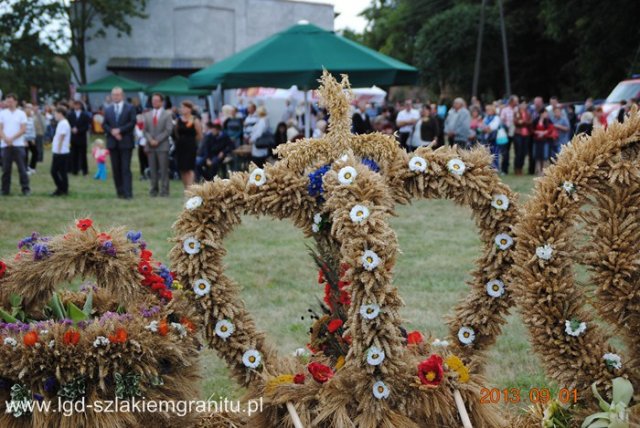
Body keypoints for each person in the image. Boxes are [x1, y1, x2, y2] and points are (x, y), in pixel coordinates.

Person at [102, 86, 137, 199]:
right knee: (116, 168)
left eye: (117, 95)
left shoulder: (130, 108)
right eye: (113, 95)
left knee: (125, 168)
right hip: (113, 143)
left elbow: (132, 122)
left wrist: (120, 130)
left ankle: (128, 193)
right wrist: (112, 131)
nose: (115, 97)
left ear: (122, 96)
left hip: (125, 142)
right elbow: (104, 124)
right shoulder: (108, 109)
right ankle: (120, 192)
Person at [143, 93, 173, 197]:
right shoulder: (147, 114)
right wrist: (150, 140)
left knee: (164, 170)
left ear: (161, 102)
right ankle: (153, 190)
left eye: (156, 100)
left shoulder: (167, 114)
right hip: (150, 146)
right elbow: (145, 131)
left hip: (162, 146)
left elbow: (168, 130)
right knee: (153, 169)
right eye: (153, 100)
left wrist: (157, 140)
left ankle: (164, 191)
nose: (154, 102)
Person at [0, 94, 30, 196]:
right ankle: (5, 190)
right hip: (5, 145)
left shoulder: (21, 114)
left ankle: (25, 189)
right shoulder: (2, 113)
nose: (9, 103)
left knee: (22, 169)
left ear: (16, 102)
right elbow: (0, 128)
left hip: (18, 145)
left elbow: (23, 129)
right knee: (6, 170)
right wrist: (5, 138)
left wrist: (12, 138)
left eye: (11, 101)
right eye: (7, 101)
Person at [174, 100, 202, 188]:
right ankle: (185, 187)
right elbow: (176, 132)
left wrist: (192, 141)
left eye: (184, 107)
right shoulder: (178, 120)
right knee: (182, 168)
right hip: (180, 146)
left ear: (189, 109)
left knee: (189, 168)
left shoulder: (194, 120)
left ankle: (190, 188)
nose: (182, 109)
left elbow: (199, 135)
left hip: (190, 146)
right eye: (181, 107)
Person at [50, 107, 71, 196]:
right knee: (62, 172)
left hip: (61, 152)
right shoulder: (62, 123)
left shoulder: (64, 123)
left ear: (60, 113)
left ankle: (61, 188)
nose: (54, 115)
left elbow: (61, 137)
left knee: (54, 171)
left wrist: (58, 150)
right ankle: (64, 189)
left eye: (55, 113)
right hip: (61, 151)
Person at [68, 100, 91, 176]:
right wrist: (72, 129)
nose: (76, 106)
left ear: (80, 106)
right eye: (75, 105)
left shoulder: (85, 115)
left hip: (82, 137)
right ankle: (74, 170)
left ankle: (85, 171)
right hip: (73, 138)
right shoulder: (70, 114)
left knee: (83, 155)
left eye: (78, 105)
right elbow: (68, 124)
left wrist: (78, 130)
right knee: (74, 154)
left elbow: (87, 126)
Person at [478, 104, 502, 170]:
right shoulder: (486, 118)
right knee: (486, 153)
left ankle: (496, 168)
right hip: (485, 138)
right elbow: (481, 126)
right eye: (487, 110)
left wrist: (487, 128)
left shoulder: (496, 117)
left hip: (494, 138)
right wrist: (486, 128)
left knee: (495, 153)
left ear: (493, 110)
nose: (487, 111)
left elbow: (494, 126)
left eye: (489, 110)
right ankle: (487, 168)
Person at [532, 109, 555, 175]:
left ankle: (544, 171)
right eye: (545, 113)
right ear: (541, 113)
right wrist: (537, 132)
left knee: (545, 156)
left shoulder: (548, 121)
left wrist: (544, 133)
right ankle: (538, 171)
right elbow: (532, 129)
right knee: (538, 156)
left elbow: (551, 129)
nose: (546, 114)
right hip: (537, 140)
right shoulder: (536, 120)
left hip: (545, 140)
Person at [499, 95, 518, 174]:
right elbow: (501, 119)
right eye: (516, 101)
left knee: (518, 151)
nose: (517, 102)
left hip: (516, 132)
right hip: (507, 132)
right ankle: (504, 169)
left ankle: (516, 169)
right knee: (505, 151)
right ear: (511, 101)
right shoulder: (505, 110)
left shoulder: (518, 109)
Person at [513, 102, 531, 175]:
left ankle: (521, 168)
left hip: (526, 135)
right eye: (522, 105)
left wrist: (523, 122)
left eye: (525, 105)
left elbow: (530, 122)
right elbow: (516, 122)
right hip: (518, 134)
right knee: (518, 152)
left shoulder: (527, 113)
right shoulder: (517, 113)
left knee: (524, 152)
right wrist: (523, 122)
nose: (523, 106)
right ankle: (517, 168)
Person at [23, 104, 37, 174]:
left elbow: (33, 129)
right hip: (24, 139)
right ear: (25, 109)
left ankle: (32, 167)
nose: (29, 109)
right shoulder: (22, 117)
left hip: (31, 138)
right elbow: (21, 129)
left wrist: (33, 138)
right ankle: (25, 169)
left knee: (35, 152)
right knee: (26, 154)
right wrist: (24, 140)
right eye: (28, 108)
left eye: (31, 108)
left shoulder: (32, 118)